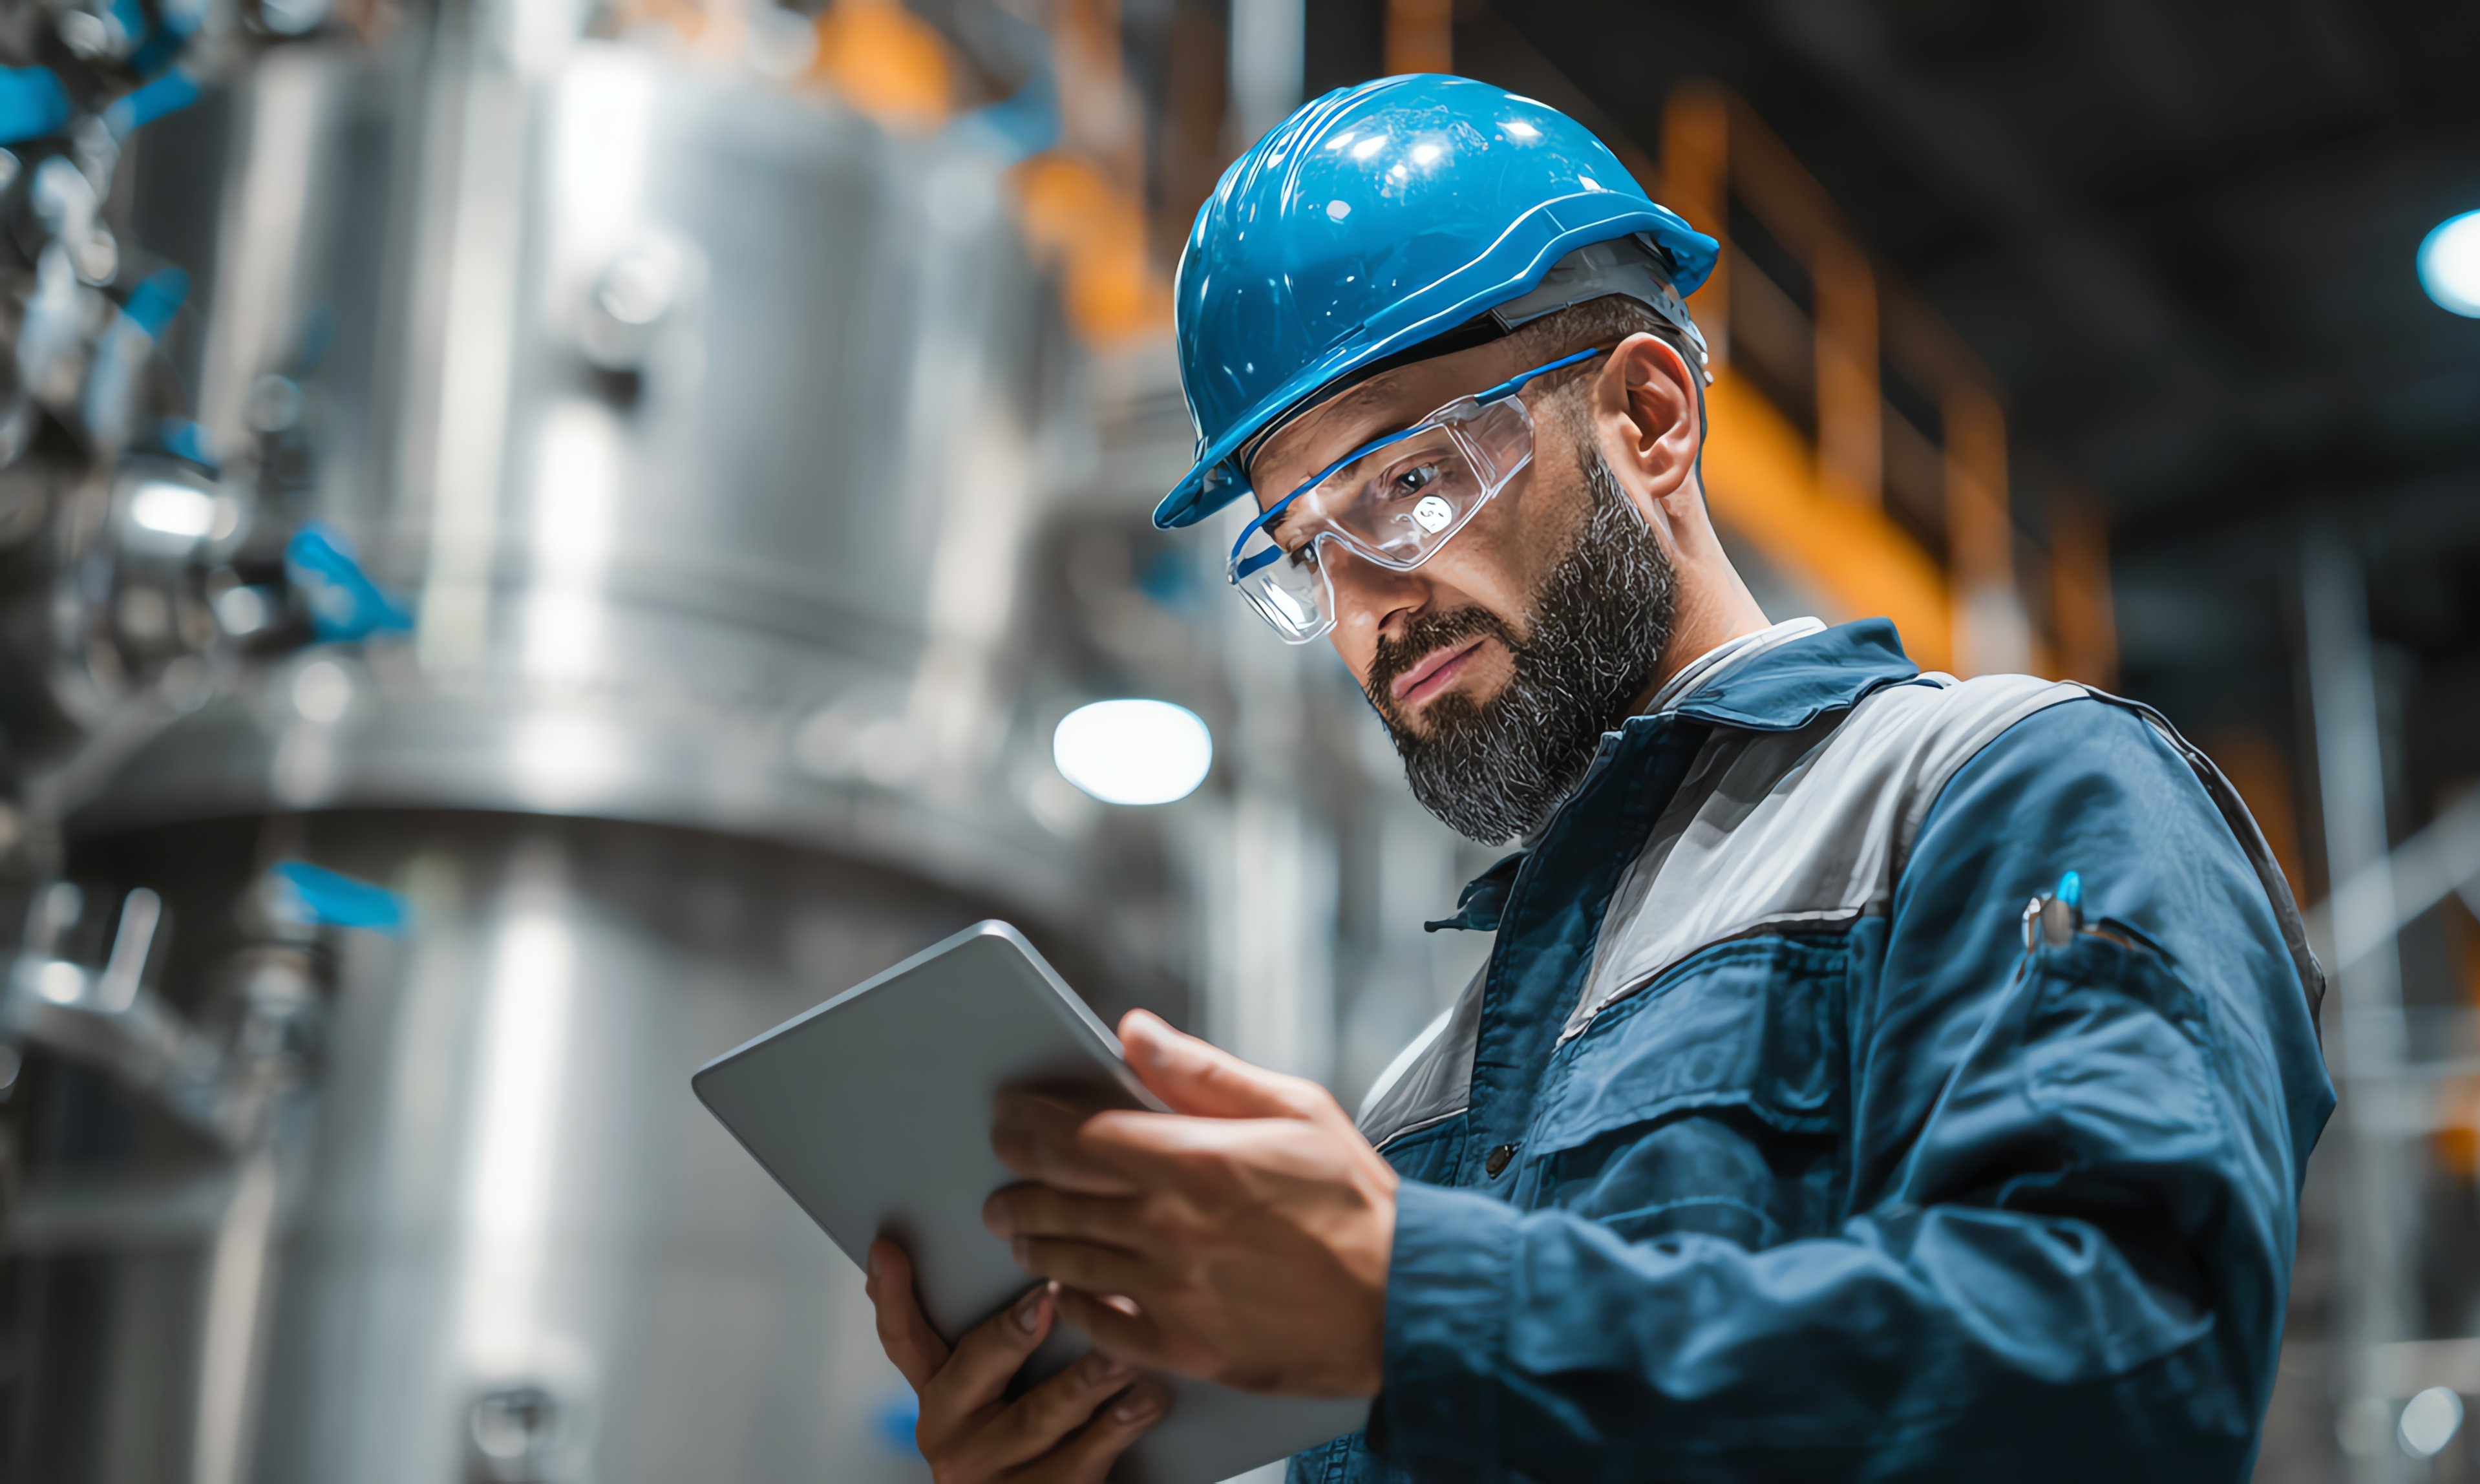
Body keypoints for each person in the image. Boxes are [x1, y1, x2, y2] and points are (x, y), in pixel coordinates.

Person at [863, 74, 2334, 1482]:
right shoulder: (1413, 1101)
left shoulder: (2007, 792)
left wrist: (1417, 1299)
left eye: (1407, 483)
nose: (1367, 601)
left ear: (1646, 417)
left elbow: (2120, 1371)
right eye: (1305, 548)